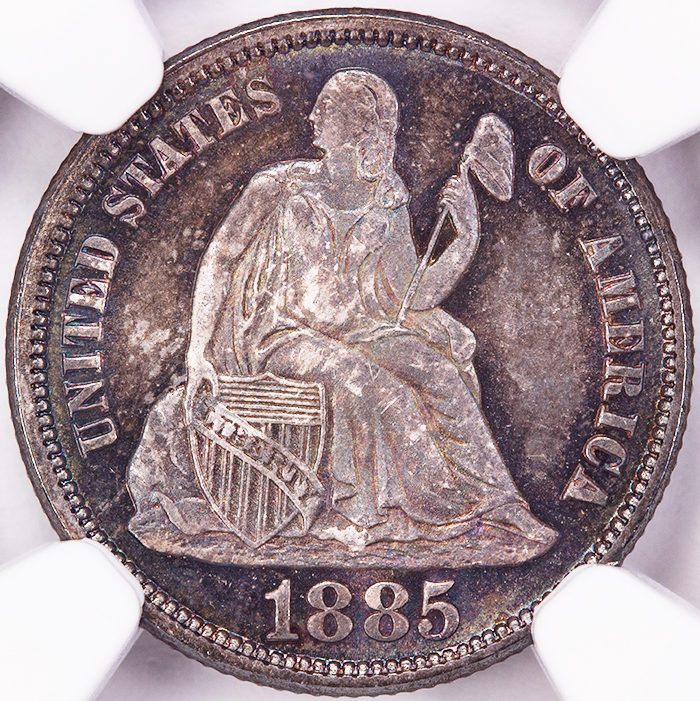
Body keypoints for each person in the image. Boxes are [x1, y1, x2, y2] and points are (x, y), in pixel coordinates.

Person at [127, 68, 558, 567]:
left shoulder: (386, 194)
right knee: (381, 390)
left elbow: (413, 295)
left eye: (327, 108)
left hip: (360, 329)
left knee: (440, 371)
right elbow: (220, 260)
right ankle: (442, 514)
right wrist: (198, 352)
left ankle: (501, 507)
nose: (313, 116)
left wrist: (465, 240)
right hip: (281, 336)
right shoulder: (277, 187)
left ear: (359, 127)